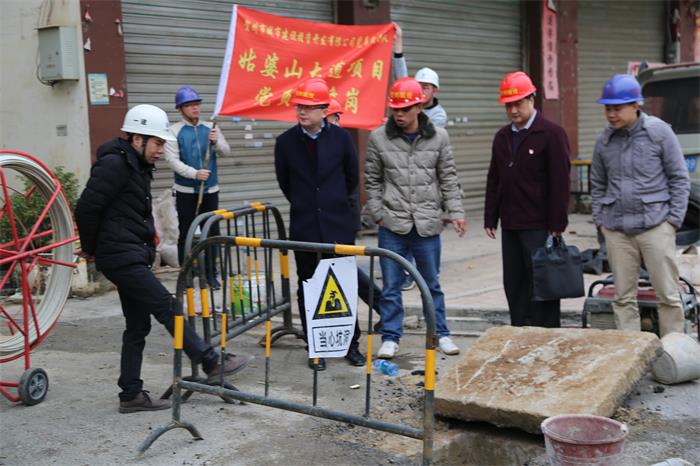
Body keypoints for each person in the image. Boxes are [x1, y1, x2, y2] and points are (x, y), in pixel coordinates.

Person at [75, 104, 250, 413]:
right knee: (166, 306)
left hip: (130, 253)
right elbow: (86, 207)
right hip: (120, 255)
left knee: (138, 326)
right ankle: (209, 360)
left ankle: (130, 394)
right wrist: (91, 248)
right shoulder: (114, 165)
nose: (161, 150)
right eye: (157, 143)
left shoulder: (136, 164)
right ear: (137, 139)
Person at [365, 77, 466, 359]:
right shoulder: (378, 138)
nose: (399, 114)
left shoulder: (439, 137)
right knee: (391, 285)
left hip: (427, 223)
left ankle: (440, 333)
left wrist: (456, 212)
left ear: (419, 107)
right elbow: (372, 180)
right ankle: (391, 337)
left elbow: (448, 178)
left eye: (405, 109)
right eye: (395, 109)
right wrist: (378, 214)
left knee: (431, 284)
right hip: (392, 224)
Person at [274, 78, 366, 370]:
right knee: (309, 286)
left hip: (337, 224)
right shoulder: (285, 142)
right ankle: (315, 346)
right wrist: (307, 204)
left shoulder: (341, 139)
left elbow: (351, 179)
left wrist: (332, 203)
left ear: (324, 110)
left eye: (309, 107)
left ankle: (350, 344)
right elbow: (285, 183)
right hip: (304, 225)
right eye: (299, 106)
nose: (302, 112)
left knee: (343, 286)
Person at [590, 74, 690, 336]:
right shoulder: (604, 141)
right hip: (617, 230)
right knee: (623, 298)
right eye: (607, 109)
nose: (611, 114)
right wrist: (601, 221)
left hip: (656, 226)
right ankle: (631, 351)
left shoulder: (659, 133)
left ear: (635, 105)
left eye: (617, 108)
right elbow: (597, 184)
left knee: (668, 295)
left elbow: (679, 178)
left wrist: (672, 221)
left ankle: (673, 351)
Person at [483, 71, 571, 328]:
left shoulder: (551, 133)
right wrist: (491, 216)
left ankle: (546, 332)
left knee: (541, 281)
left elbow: (560, 182)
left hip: (539, 224)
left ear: (532, 99)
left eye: (518, 103)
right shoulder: (502, 137)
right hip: (511, 223)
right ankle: (519, 329)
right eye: (508, 105)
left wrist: (557, 224)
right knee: (514, 282)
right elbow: (494, 178)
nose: (513, 110)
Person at [392, 24, 448, 291]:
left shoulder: (438, 117)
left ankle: (427, 273)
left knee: (425, 225)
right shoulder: (407, 109)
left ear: (435, 91)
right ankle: (405, 271)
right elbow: (400, 76)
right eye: (419, 87)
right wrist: (398, 47)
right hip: (403, 176)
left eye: (427, 88)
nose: (422, 91)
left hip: (426, 179)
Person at [326, 98, 384, 331]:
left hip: (342, 220)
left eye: (330, 117)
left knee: (345, 270)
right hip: (325, 221)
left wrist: (350, 222)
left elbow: (351, 183)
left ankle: (384, 309)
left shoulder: (340, 142)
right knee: (337, 270)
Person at [164, 86, 231, 287]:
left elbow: (226, 152)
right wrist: (194, 173)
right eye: (189, 105)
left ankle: (211, 274)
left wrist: (217, 142)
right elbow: (172, 161)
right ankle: (187, 274)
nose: (195, 108)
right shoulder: (173, 131)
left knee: (212, 232)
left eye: (197, 104)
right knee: (186, 232)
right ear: (180, 109)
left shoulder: (211, 128)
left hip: (210, 191)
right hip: (185, 192)